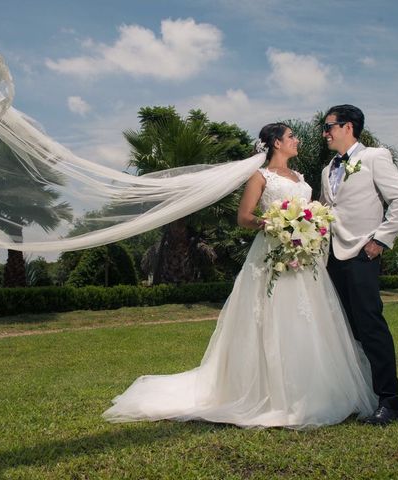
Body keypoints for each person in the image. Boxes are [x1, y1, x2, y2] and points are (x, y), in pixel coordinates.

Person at [103, 123, 377, 429]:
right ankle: (269, 392)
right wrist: (276, 223)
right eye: (291, 137)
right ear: (276, 143)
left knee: (307, 317)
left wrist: (306, 226)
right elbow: (244, 217)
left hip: (303, 256)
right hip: (272, 252)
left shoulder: (300, 178)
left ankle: (312, 387)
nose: (296, 141)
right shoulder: (260, 176)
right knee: (272, 316)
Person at [320, 104, 398, 425]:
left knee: (370, 327)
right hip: (331, 258)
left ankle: (391, 401)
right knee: (348, 330)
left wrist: (380, 241)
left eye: (329, 126)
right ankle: (360, 395)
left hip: (362, 254)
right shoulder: (326, 168)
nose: (324, 132)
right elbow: (325, 209)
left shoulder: (374, 157)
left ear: (348, 127)